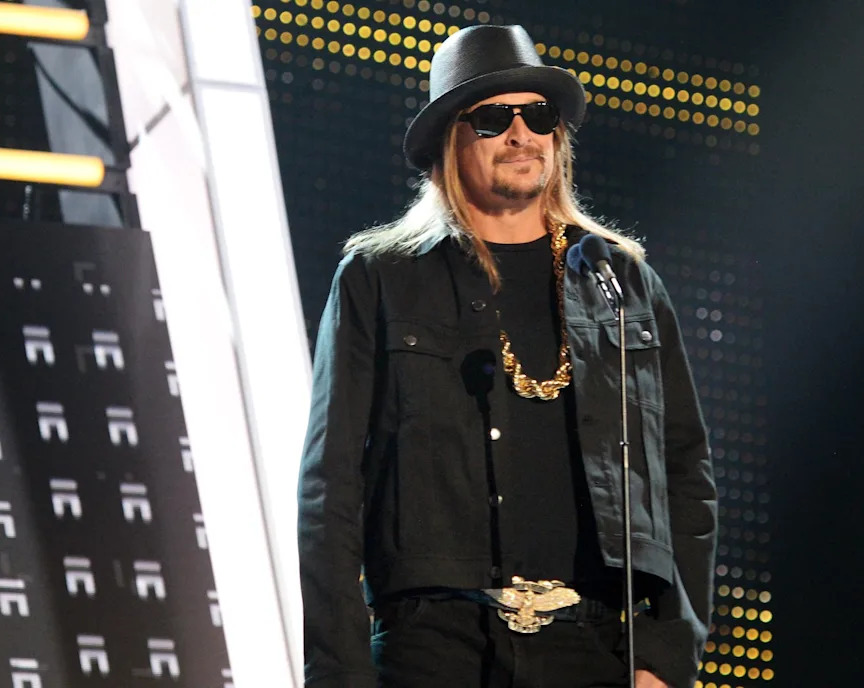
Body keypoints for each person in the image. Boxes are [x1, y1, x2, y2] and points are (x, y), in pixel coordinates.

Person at [298, 24, 717, 688]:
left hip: (593, 646)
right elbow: (331, 491)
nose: (522, 134)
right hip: (434, 649)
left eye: (538, 115)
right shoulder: (381, 278)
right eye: (494, 119)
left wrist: (666, 656)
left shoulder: (620, 283)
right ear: (450, 142)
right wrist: (340, 674)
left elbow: (686, 475)